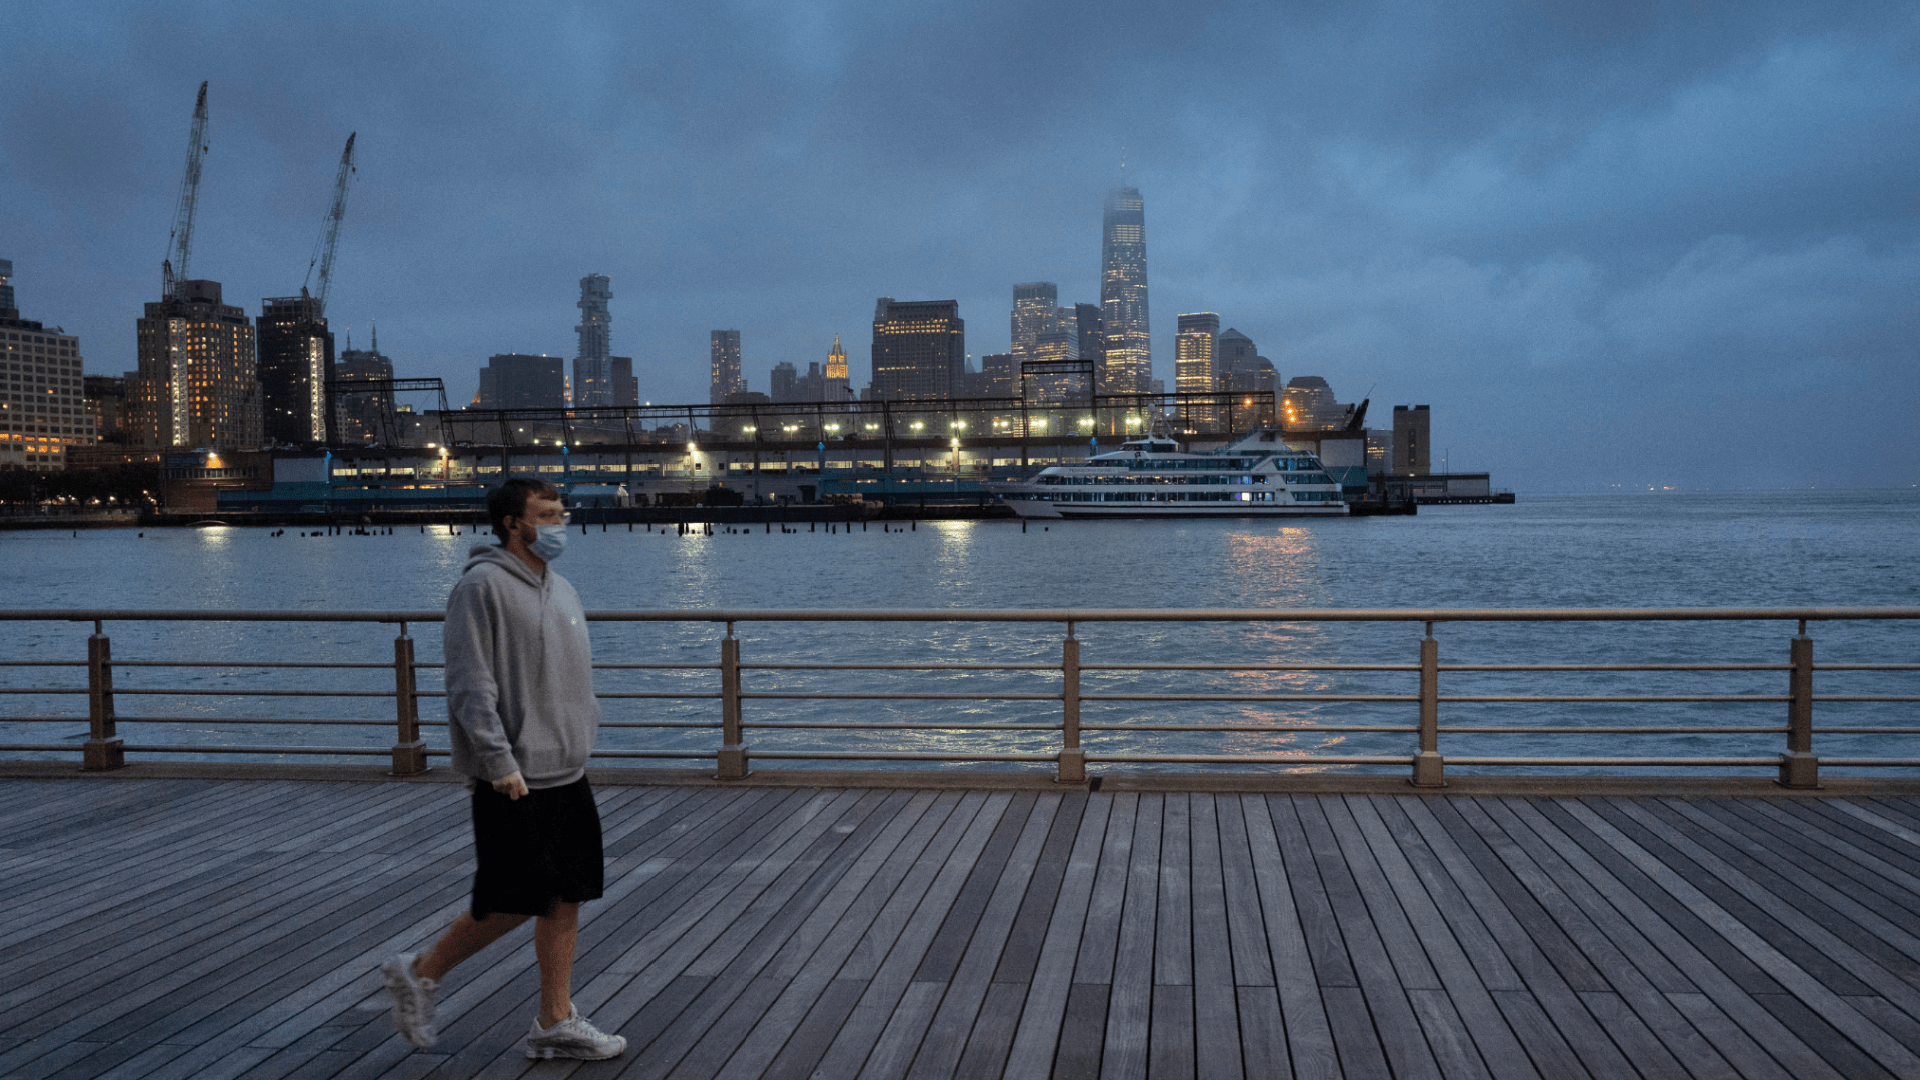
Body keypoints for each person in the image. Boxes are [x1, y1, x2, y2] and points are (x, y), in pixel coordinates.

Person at [380, 478, 625, 1061]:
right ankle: (422, 970)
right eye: (547, 513)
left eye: (563, 511)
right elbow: (470, 683)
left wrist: (583, 730)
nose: (559, 523)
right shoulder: (480, 587)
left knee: (568, 895)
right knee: (515, 898)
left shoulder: (560, 588)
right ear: (514, 523)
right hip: (513, 777)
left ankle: (554, 1020)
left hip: (567, 769)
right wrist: (496, 761)